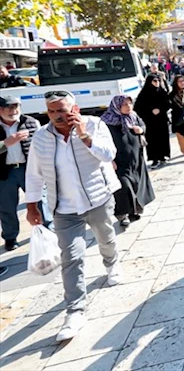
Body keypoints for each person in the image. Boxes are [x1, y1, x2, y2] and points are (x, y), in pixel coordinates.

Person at [25, 91, 123, 342]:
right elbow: (34, 174)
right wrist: (32, 206)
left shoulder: (95, 124)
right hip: (63, 209)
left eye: (63, 110)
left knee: (106, 237)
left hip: (97, 199)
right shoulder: (41, 138)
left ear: (75, 108)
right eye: (53, 111)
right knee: (71, 257)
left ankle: (111, 263)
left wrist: (84, 136)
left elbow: (109, 155)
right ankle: (75, 310)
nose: (59, 116)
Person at [0, 96, 50, 251]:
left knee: (40, 200)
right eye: (9, 107)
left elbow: (43, 145)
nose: (13, 111)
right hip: (4, 172)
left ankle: (49, 230)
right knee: (6, 207)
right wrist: (6, 143)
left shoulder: (30, 122)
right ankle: (10, 237)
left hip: (28, 169)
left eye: (16, 107)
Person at [101, 95, 154, 226]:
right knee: (123, 187)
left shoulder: (133, 116)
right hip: (118, 161)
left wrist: (140, 129)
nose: (128, 106)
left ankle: (134, 211)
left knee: (136, 184)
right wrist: (108, 160)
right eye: (125, 104)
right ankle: (121, 215)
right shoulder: (106, 122)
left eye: (130, 104)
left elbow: (143, 126)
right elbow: (102, 141)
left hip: (135, 158)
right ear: (117, 106)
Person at [134, 73, 171, 168]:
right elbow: (138, 108)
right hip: (149, 121)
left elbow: (168, 104)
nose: (157, 83)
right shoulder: (143, 94)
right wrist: (150, 111)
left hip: (161, 119)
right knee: (151, 140)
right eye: (155, 81)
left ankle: (163, 157)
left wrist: (160, 109)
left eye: (158, 80)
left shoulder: (162, 92)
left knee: (162, 138)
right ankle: (154, 159)